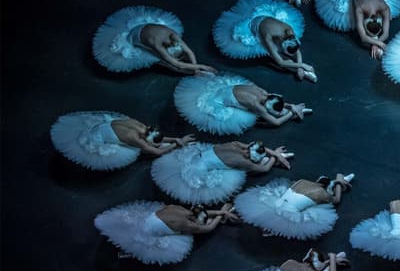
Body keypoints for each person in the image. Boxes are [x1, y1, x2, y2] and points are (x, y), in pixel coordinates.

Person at [150, 140, 293, 205]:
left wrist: (274, 153)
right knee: (256, 166)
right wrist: (275, 156)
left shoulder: (236, 144)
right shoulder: (242, 161)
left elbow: (257, 147)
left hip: (196, 158)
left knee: (259, 161)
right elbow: (264, 169)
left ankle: (270, 157)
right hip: (199, 172)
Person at [94, 201, 238, 265]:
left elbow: (201, 213)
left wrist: (221, 211)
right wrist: (221, 214)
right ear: (193, 220)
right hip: (149, 233)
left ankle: (129, 246)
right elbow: (208, 229)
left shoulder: (180, 209)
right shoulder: (185, 224)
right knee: (144, 246)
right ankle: (130, 252)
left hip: (146, 221)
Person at [213, 0, 317, 82]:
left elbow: (296, 50)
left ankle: (300, 71)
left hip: (268, 18)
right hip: (256, 27)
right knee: (280, 58)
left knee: (290, 54)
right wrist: (302, 65)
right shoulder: (268, 37)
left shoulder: (289, 31)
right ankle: (304, 73)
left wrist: (300, 66)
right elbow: (280, 62)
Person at [174, 72, 311, 135]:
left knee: (271, 111)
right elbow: (275, 123)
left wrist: (289, 105)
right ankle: (294, 114)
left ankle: (292, 112)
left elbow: (275, 103)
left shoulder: (263, 93)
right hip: (218, 102)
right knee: (253, 118)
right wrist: (292, 110)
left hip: (227, 91)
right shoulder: (256, 104)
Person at [92, 6, 217, 75]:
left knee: (182, 55)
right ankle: (189, 73)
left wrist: (197, 67)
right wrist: (199, 68)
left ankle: (193, 72)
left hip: (151, 29)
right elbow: (176, 63)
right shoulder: (155, 44)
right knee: (162, 60)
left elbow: (189, 52)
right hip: (136, 36)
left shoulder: (173, 34)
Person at [50, 111, 194, 170]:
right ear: (145, 139)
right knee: (138, 150)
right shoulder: (135, 138)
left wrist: (175, 139)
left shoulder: (141, 126)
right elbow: (156, 151)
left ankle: (177, 144)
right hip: (97, 136)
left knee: (148, 146)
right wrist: (177, 143)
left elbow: (156, 141)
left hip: (105, 126)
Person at [234, 173, 355, 239]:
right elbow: (337, 200)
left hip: (276, 202)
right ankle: (272, 228)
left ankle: (266, 223)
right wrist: (338, 182)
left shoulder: (302, 181)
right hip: (289, 212)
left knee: (279, 200)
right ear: (327, 187)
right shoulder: (323, 194)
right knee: (312, 212)